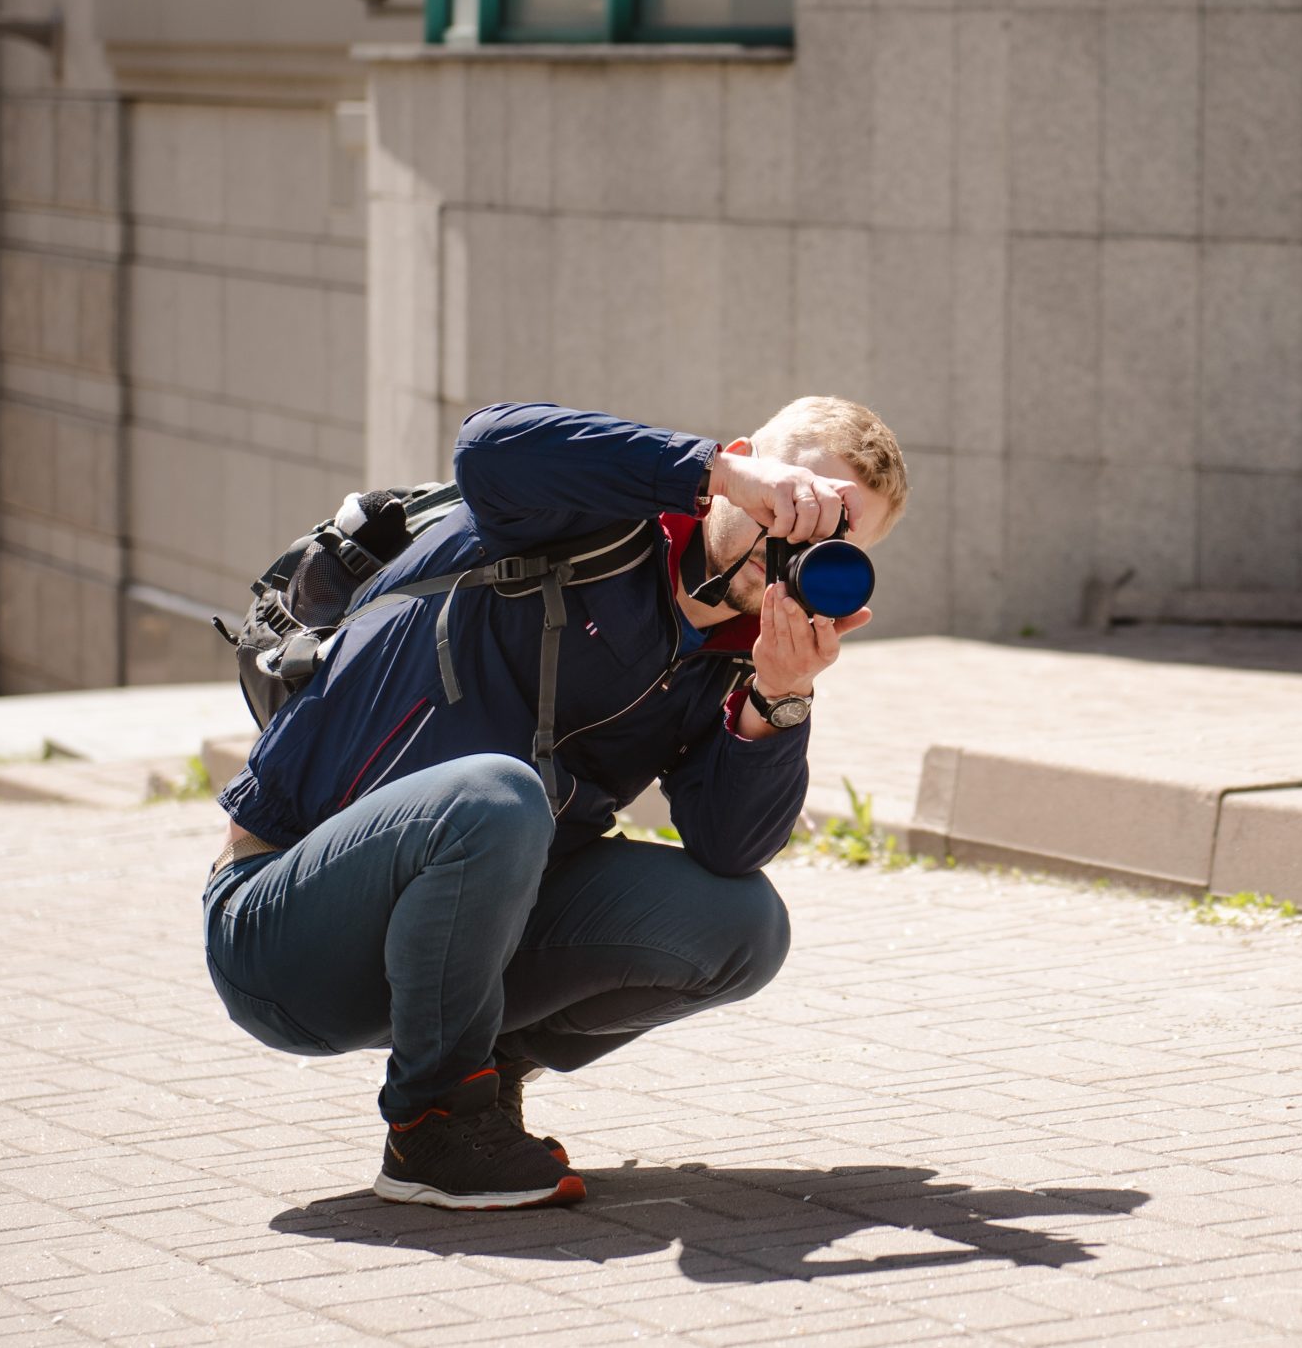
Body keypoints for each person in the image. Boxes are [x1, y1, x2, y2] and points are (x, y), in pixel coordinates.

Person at [201, 397, 905, 1209]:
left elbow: (729, 847)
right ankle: (433, 1123)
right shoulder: (585, 517)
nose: (794, 539)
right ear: (746, 463)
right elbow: (486, 446)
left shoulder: (732, 658)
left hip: (458, 941)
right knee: (499, 795)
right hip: (284, 932)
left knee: (746, 927)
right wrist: (716, 471)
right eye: (790, 500)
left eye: (831, 536)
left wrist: (777, 700)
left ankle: (484, 1066)